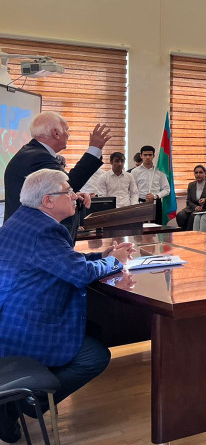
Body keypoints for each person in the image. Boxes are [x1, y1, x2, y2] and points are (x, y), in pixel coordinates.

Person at [0, 169, 132, 441]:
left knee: (93, 330)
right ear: (48, 200)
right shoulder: (45, 229)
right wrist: (115, 261)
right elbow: (79, 274)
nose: (75, 196)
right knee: (95, 356)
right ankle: (24, 403)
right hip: (30, 327)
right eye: (68, 191)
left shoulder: (22, 220)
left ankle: (20, 400)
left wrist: (101, 255)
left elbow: (60, 260)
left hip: (12, 319)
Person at [4, 111, 111, 222]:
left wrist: (74, 195)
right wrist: (94, 149)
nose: (68, 134)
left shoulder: (32, 152)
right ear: (56, 133)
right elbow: (70, 183)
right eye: (66, 130)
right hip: (30, 231)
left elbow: (44, 192)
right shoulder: (39, 157)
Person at [131, 145, 170, 223]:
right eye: (145, 155)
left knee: (156, 230)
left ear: (154, 156)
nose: (148, 157)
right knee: (141, 231)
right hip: (140, 203)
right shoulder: (135, 172)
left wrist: (155, 196)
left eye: (150, 155)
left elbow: (167, 189)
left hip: (156, 203)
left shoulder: (160, 171)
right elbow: (132, 190)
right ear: (141, 156)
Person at [174, 165, 206, 230]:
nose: (198, 174)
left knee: (193, 216)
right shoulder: (191, 185)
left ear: (205, 174)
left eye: (200, 172)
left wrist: (205, 200)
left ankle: (189, 235)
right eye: (196, 173)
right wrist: (195, 207)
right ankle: (183, 233)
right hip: (192, 208)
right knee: (180, 215)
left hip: (205, 208)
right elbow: (188, 201)